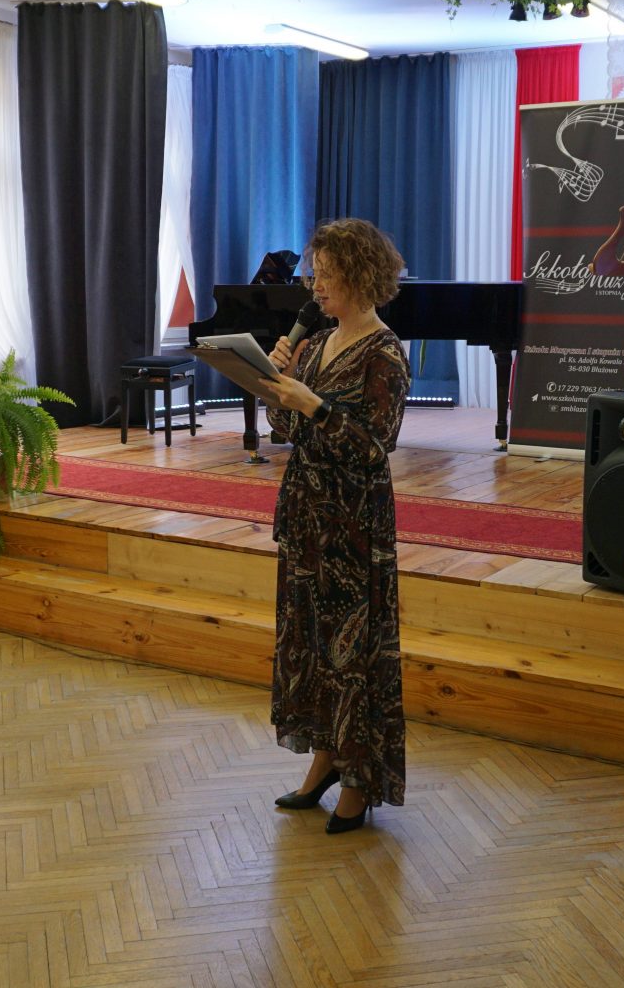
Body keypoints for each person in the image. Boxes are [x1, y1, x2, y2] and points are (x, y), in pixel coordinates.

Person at [259, 218, 411, 835]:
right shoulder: (318, 342)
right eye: (313, 275)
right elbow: (285, 431)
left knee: (351, 653)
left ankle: (358, 780)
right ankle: (324, 760)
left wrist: (314, 404)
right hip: (307, 512)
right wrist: (274, 385)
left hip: (353, 521)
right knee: (313, 643)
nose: (315, 286)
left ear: (359, 275)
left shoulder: (385, 352)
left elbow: (376, 445)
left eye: (325, 275)